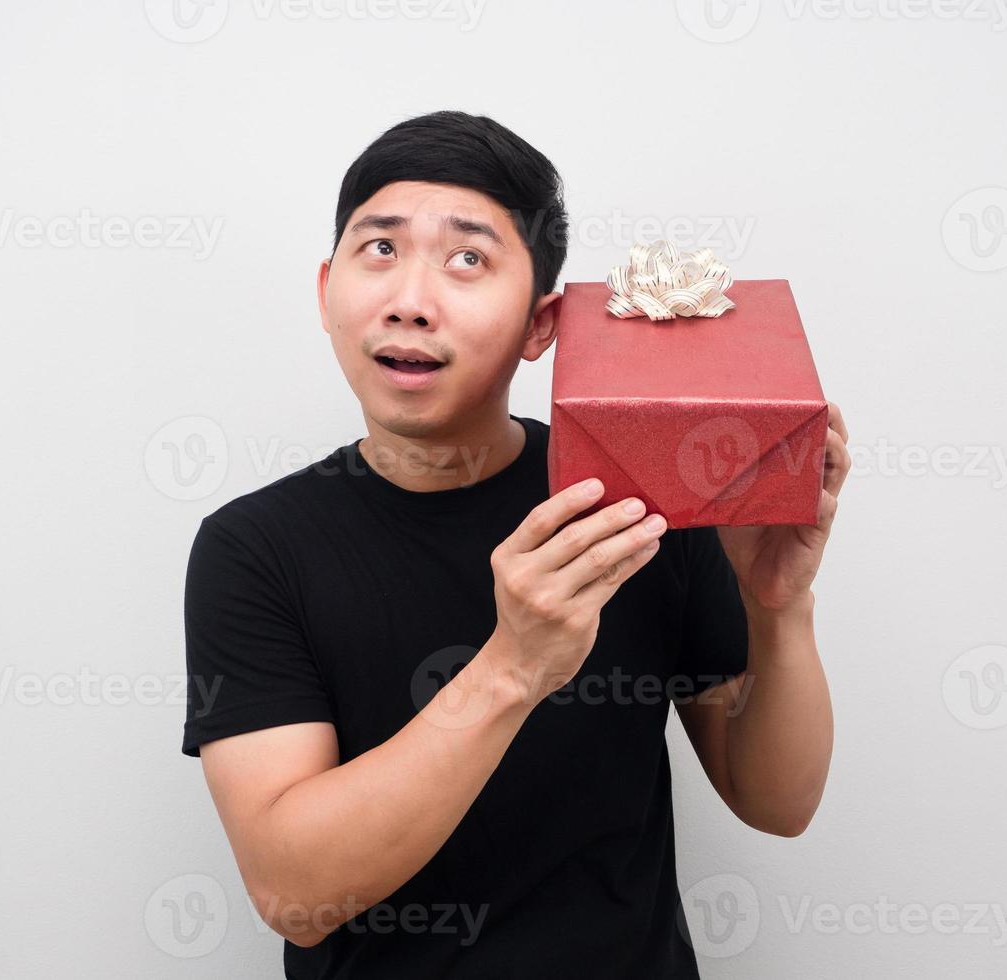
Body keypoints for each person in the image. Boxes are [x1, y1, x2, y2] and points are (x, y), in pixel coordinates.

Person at [181, 109, 850, 978]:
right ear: (325, 289)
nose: (410, 302)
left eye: (468, 260)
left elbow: (777, 802)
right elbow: (291, 891)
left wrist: (779, 610)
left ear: (542, 326)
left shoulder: (627, 501)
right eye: (378, 249)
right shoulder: (254, 548)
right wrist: (512, 667)